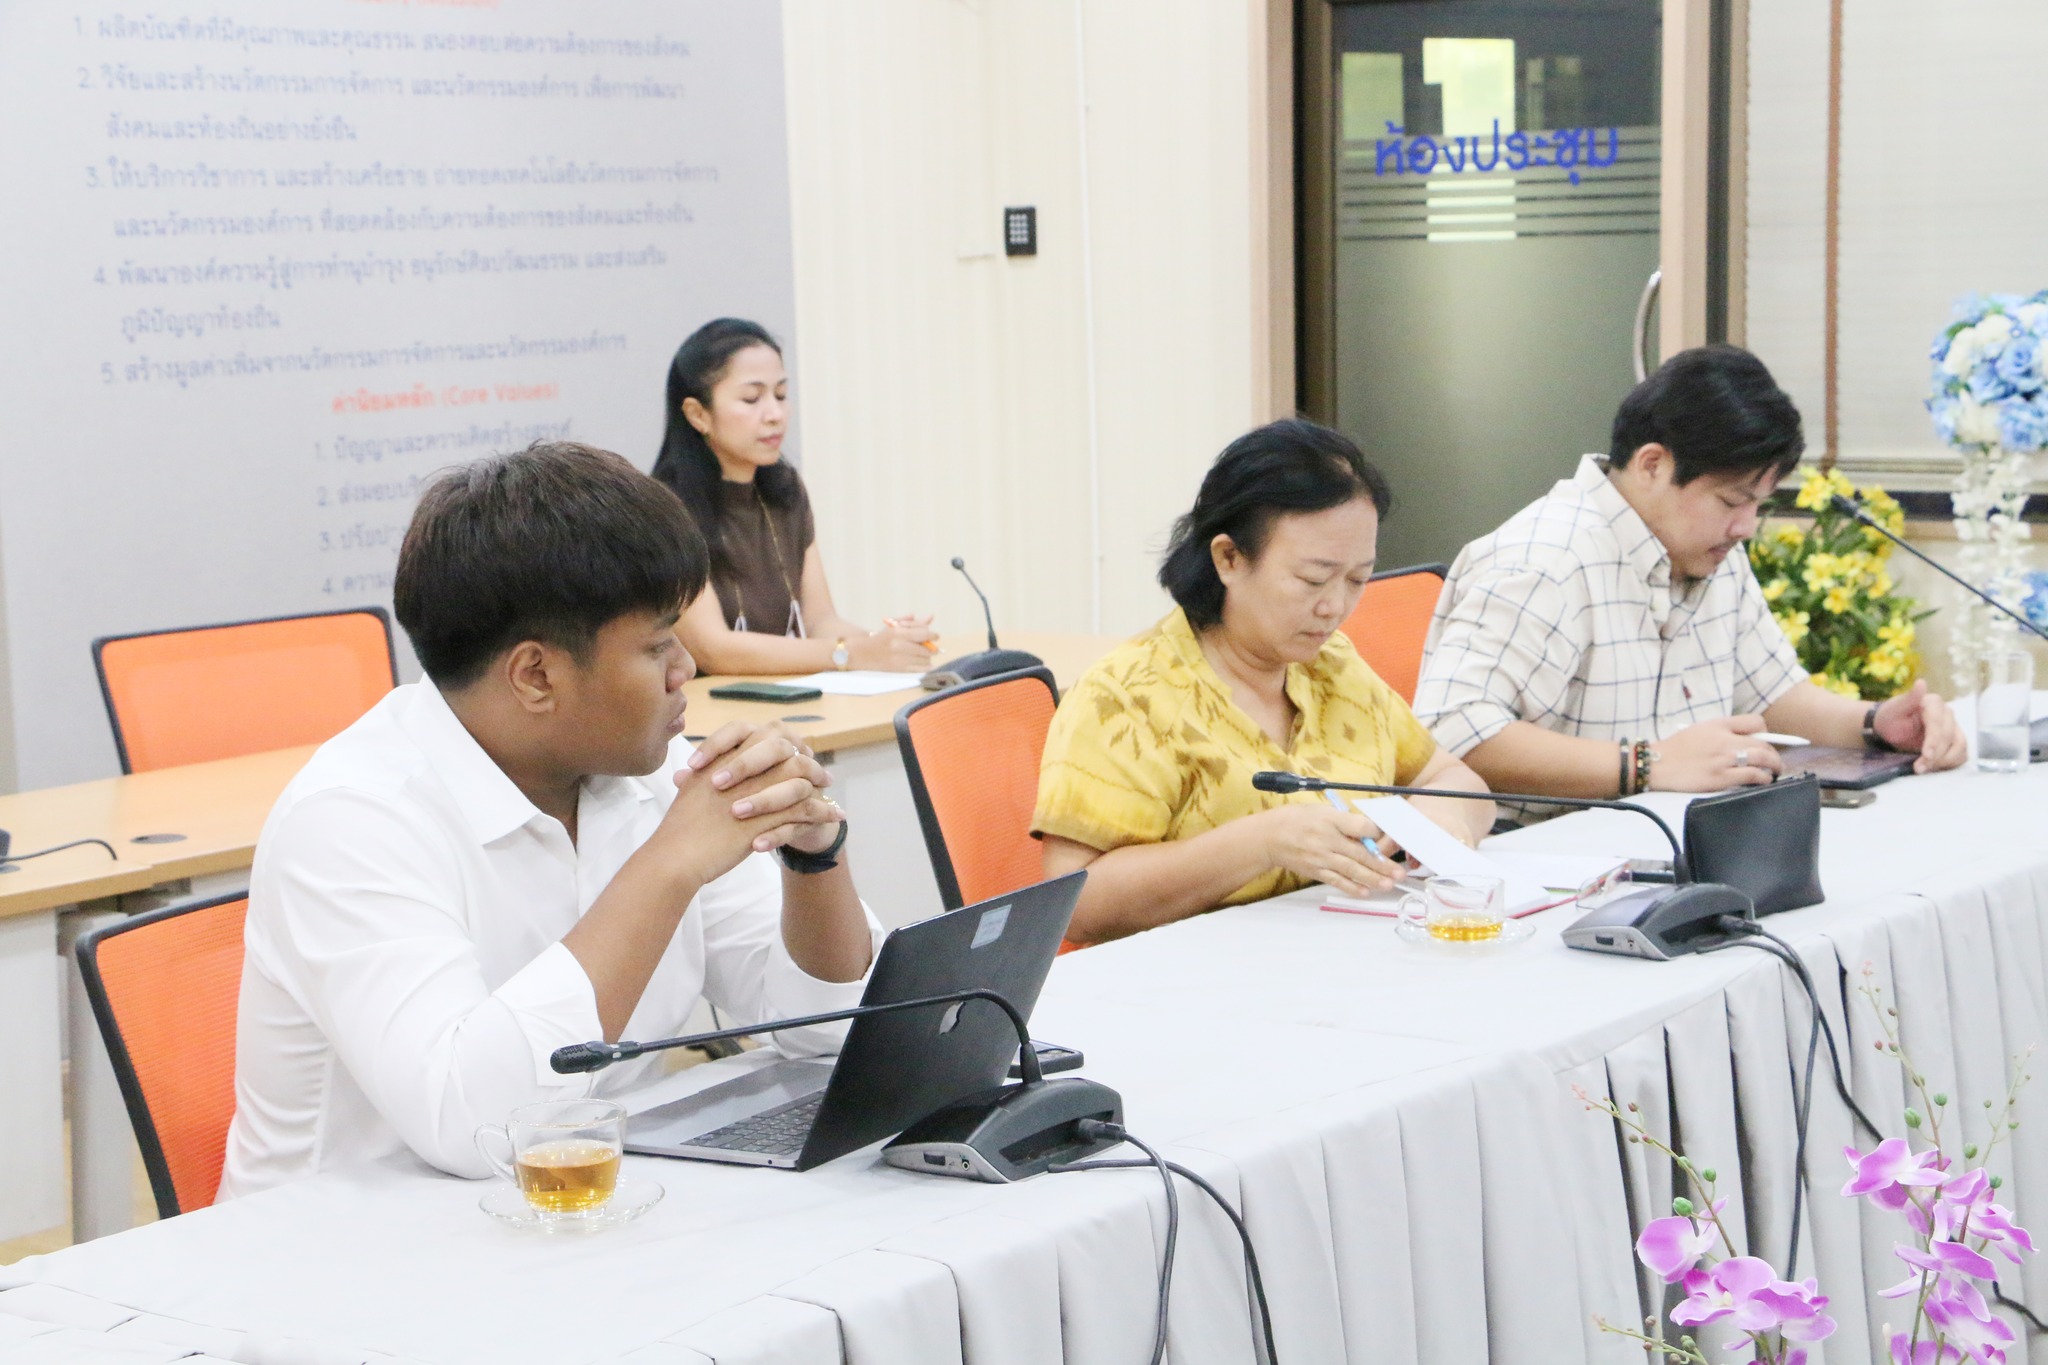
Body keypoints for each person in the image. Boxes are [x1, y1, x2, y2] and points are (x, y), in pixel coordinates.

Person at [220, 442, 880, 1197]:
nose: (686, 669)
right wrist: (667, 867)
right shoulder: (350, 820)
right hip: (341, 1245)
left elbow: (824, 1032)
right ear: (535, 675)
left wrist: (813, 857)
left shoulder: (649, 774)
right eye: (657, 645)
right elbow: (477, 1126)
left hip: (579, 1210)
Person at [1413, 345, 1968, 821]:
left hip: (1672, 842)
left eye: (1757, 504)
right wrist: (1645, 764)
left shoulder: (1708, 550)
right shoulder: (1544, 560)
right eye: (1731, 501)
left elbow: (1771, 693)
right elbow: (1454, 731)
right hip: (1542, 859)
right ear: (1652, 465)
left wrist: (1874, 723)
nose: (1746, 527)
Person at [1033, 419, 1495, 945]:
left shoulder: (1332, 665)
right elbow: (1075, 906)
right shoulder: (1127, 696)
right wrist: (1262, 843)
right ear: (1229, 559)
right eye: (1312, 579)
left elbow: (1454, 777)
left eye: (1357, 579)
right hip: (1192, 978)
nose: (1335, 607)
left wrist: (1444, 815)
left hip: (1341, 958)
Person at [650, 318, 937, 674]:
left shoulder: (785, 491)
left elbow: (819, 622)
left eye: (781, 395)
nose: (775, 414)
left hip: (786, 695)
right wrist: (853, 654)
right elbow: (715, 650)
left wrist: (886, 643)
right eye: (752, 398)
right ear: (698, 415)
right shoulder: (663, 511)